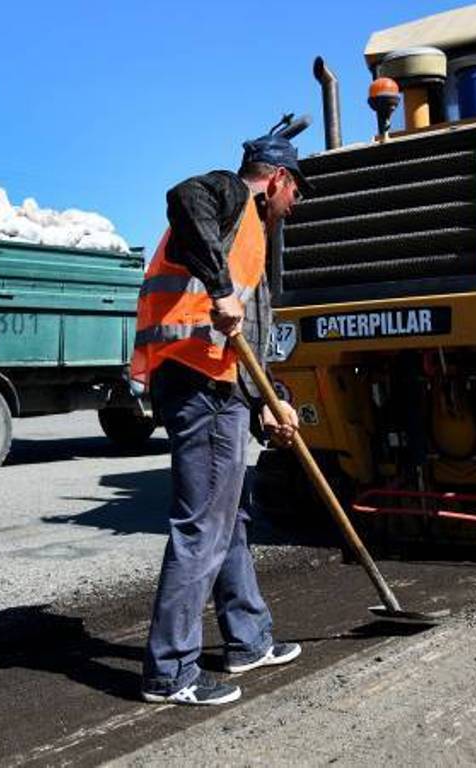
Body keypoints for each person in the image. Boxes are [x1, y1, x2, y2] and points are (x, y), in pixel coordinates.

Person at [131, 130, 311, 706]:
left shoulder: (248, 236)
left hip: (220, 384)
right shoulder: (229, 193)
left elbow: (246, 342)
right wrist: (220, 285)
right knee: (203, 526)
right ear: (278, 179)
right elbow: (184, 196)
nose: (294, 207)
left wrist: (270, 401)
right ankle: (171, 673)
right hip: (197, 380)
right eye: (296, 195)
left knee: (229, 518)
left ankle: (249, 639)